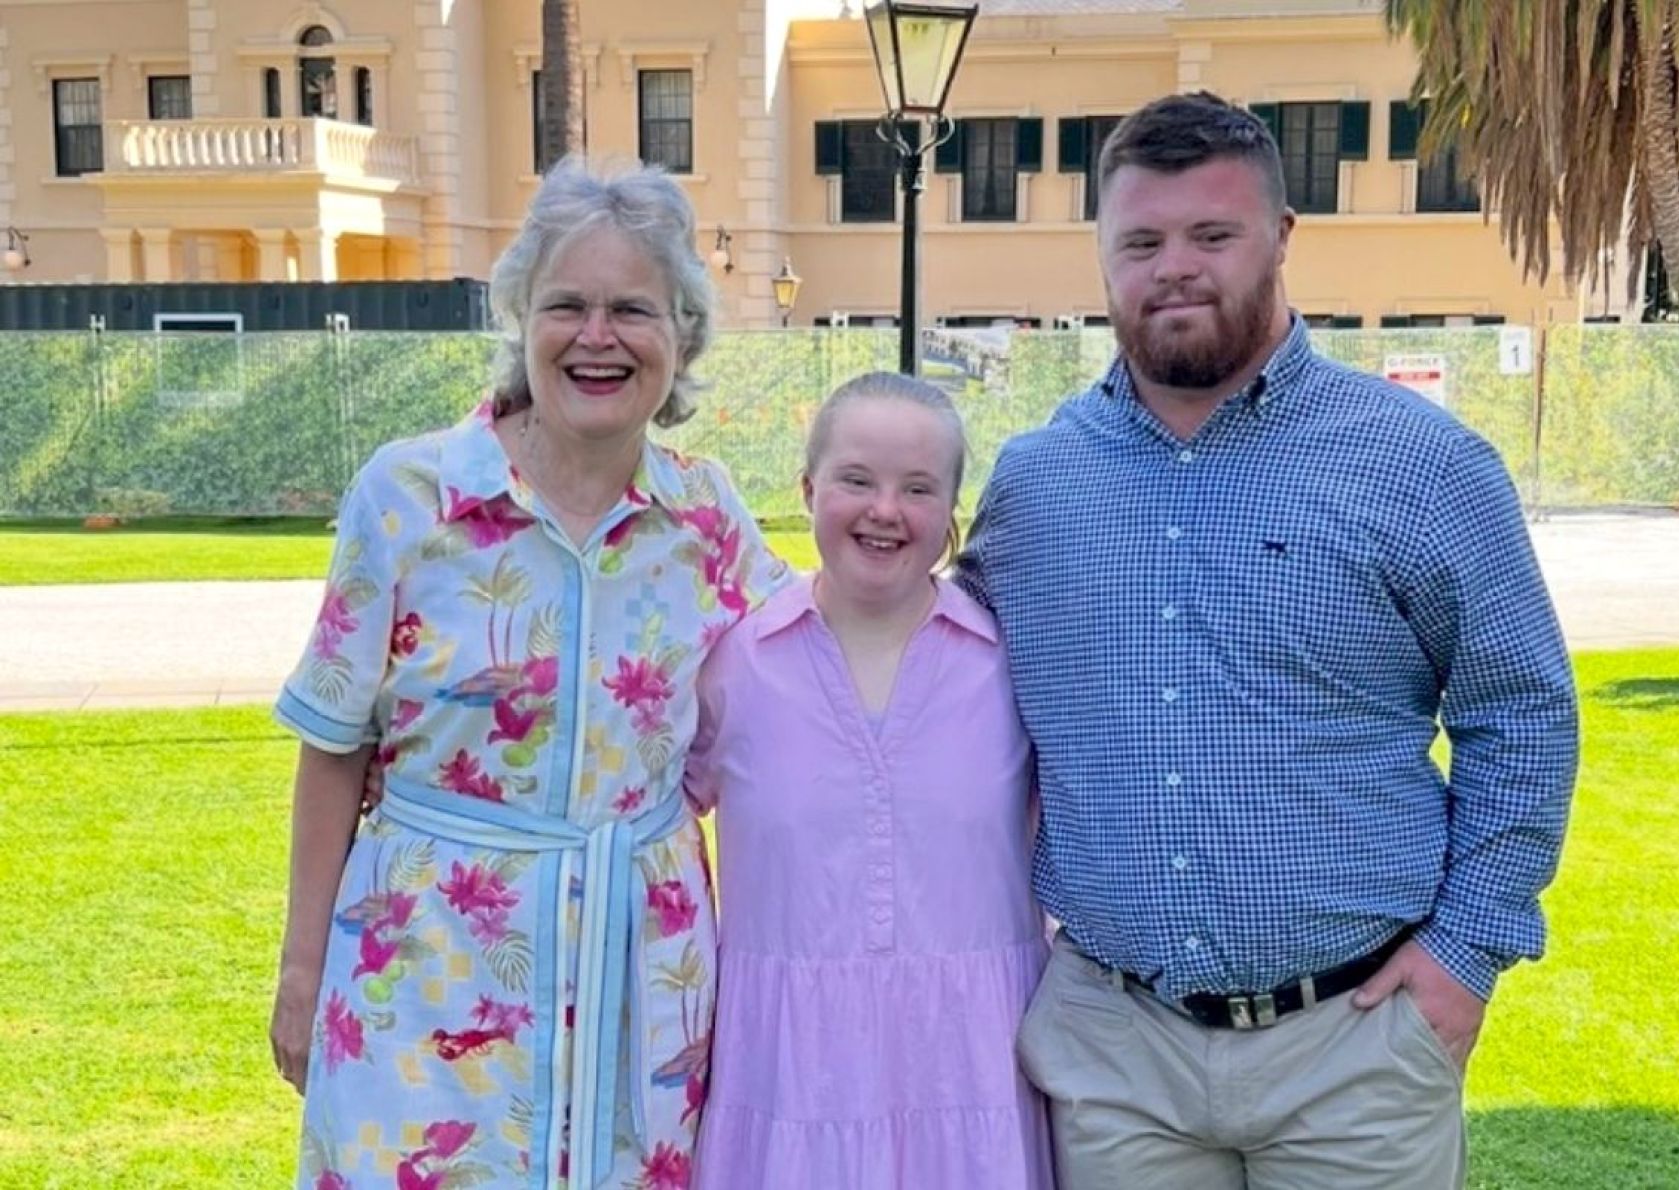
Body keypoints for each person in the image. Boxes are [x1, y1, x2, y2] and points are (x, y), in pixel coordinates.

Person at [956, 92, 1579, 1189]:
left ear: (1282, 238)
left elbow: (1520, 711)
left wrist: (1465, 954)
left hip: (1356, 1046)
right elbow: (937, 687)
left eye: (1213, 234)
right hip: (1115, 1052)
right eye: (1141, 241)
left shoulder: (1422, 467)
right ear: (1101, 255)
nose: (1175, 268)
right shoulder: (1034, 486)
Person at [267, 158, 788, 1189]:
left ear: (681, 333)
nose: (598, 335)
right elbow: (334, 744)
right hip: (423, 973)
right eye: (568, 305)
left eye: (633, 308)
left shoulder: (707, 517)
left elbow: (797, 699)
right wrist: (300, 965)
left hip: (648, 981)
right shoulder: (408, 494)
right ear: (522, 320)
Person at [685, 372, 1055, 1189]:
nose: (884, 510)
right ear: (808, 489)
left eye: (917, 488)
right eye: (856, 479)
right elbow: (649, 819)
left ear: (953, 511)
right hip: (787, 1064)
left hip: (972, 1057)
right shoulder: (734, 662)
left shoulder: (1008, 664)